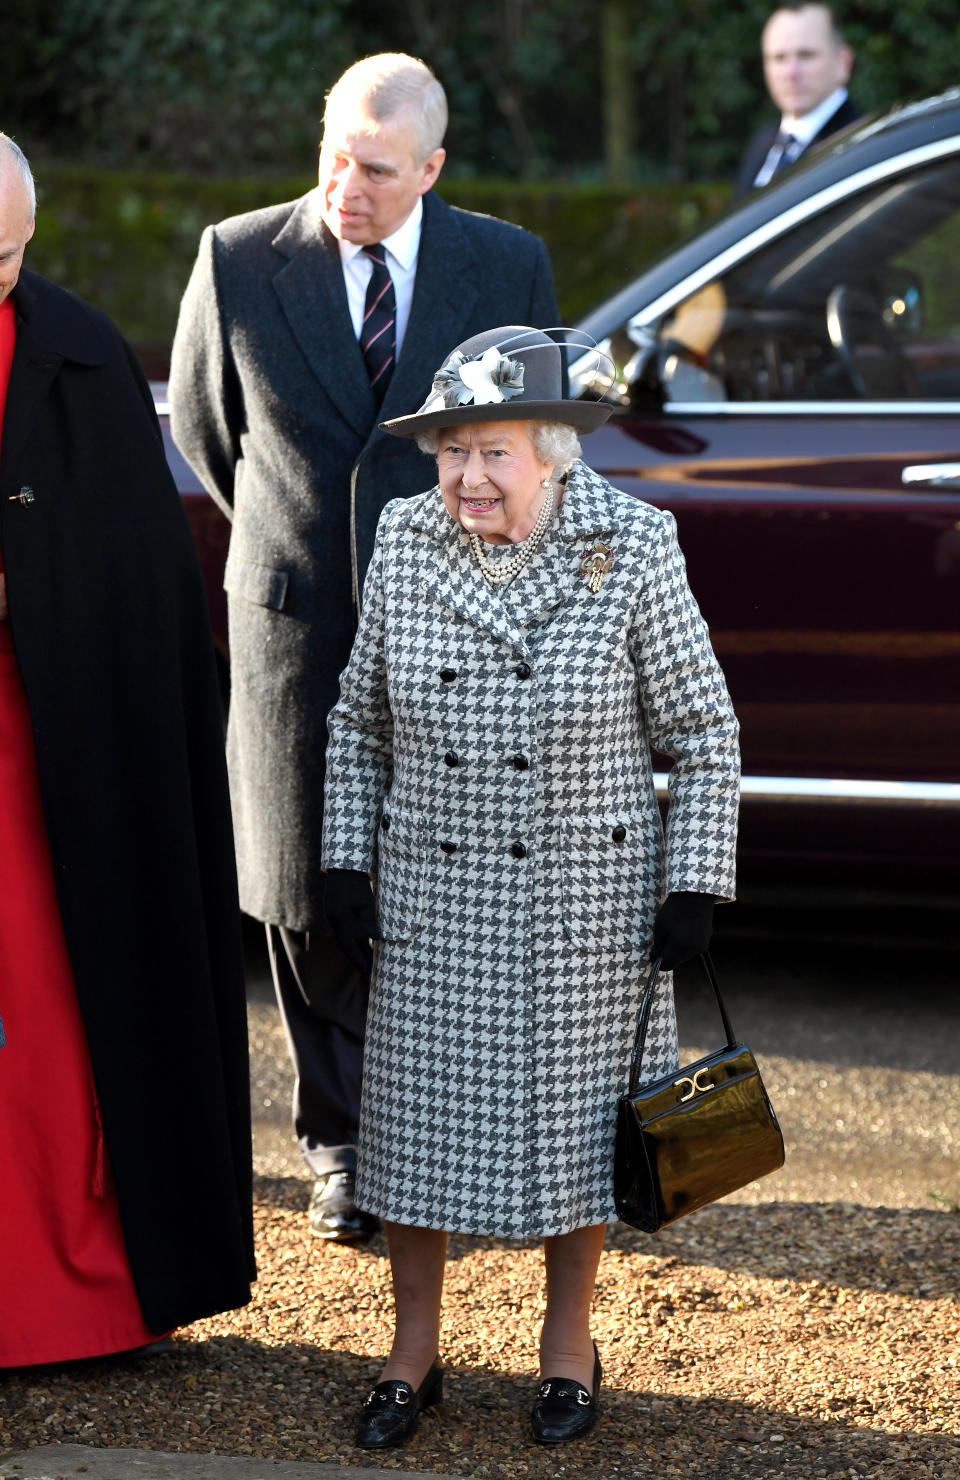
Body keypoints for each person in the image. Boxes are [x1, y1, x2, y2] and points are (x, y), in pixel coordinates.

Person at [321, 325, 740, 1447]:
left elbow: (704, 733)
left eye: (493, 450)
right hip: (432, 897)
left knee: (574, 1142)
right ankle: (413, 1350)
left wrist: (694, 880)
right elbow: (357, 724)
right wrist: (346, 861)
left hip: (583, 909)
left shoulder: (635, 544)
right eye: (451, 449)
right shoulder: (407, 538)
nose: (466, 476)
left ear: (552, 454)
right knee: (410, 1138)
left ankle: (567, 1345)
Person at [169, 54, 562, 1245]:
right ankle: (337, 1143)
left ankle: (435, 1133)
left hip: (451, 627)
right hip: (294, 622)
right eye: (334, 153)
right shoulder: (238, 256)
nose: (347, 183)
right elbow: (205, 428)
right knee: (301, 890)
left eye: (377, 169)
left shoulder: (506, 264)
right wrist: (297, 552)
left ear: (431, 169)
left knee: (439, 884)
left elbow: (531, 441)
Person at [0, 133, 255, 1366]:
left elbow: (136, 571)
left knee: (53, 1005)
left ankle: (68, 1298)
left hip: (55, 750)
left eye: (6, 251)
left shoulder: (83, 353)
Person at [736, 3, 860, 194]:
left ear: (842, 63)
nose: (791, 72)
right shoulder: (762, 142)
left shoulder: (859, 147)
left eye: (806, 55)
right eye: (779, 58)